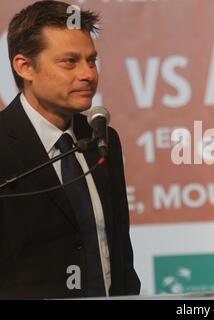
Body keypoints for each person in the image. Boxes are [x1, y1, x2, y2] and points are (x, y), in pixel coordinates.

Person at [0, 1, 140, 298]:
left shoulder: (103, 139)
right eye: (70, 62)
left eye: (91, 60)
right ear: (24, 67)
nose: (88, 74)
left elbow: (119, 253)